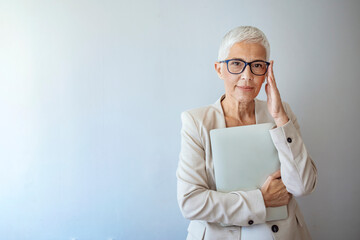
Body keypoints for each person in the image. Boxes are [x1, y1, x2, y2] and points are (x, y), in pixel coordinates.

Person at [176, 26, 317, 240]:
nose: (247, 75)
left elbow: (303, 186)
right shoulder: (196, 122)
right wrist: (261, 199)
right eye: (236, 64)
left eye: (257, 66)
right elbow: (191, 203)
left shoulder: (281, 113)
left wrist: (280, 118)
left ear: (267, 72)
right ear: (219, 69)